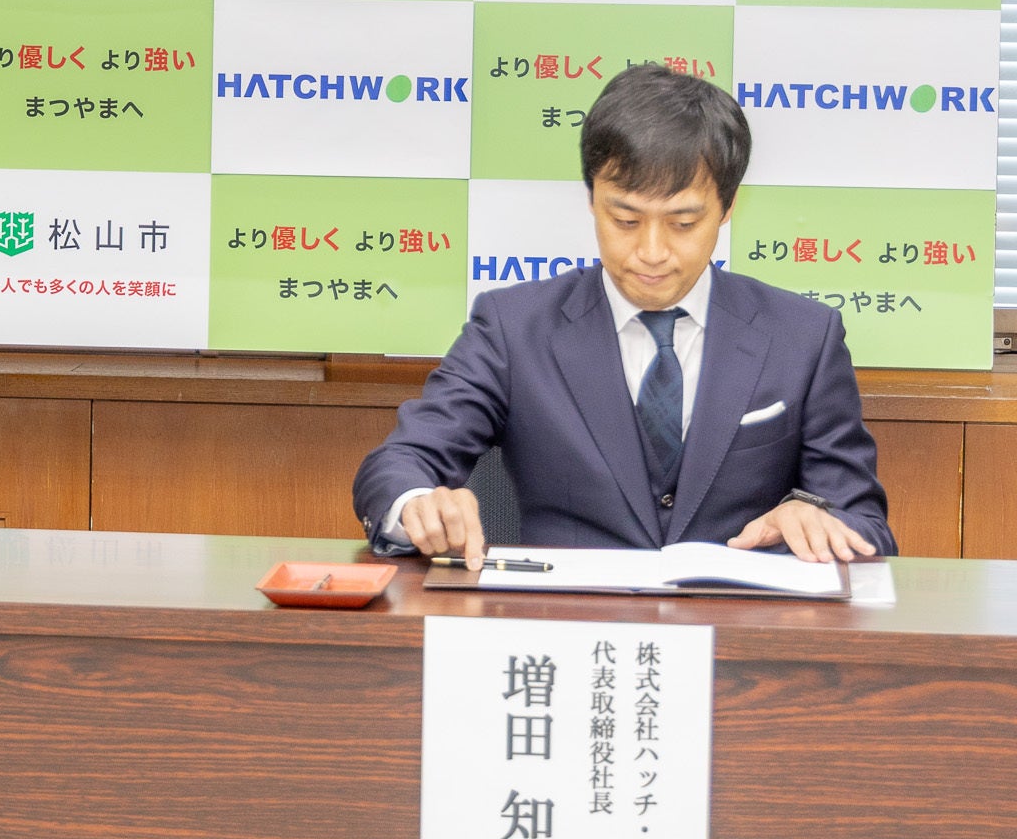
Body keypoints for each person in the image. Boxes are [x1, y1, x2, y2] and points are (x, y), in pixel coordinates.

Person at [353, 62, 892, 568]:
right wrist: (417, 503)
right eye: (626, 220)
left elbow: (865, 523)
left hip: (737, 626)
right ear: (592, 199)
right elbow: (402, 462)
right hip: (567, 621)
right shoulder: (513, 328)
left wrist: (819, 519)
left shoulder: (803, 337)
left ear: (728, 208)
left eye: (683, 224)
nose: (652, 252)